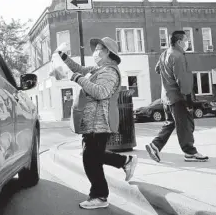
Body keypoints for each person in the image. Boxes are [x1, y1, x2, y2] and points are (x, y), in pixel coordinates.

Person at [52, 37, 138, 210]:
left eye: (99, 49)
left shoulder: (110, 72)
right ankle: (124, 162)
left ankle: (100, 195)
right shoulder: (99, 69)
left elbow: (101, 92)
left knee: (91, 158)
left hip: (100, 123)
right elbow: (79, 69)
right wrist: (64, 57)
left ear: (108, 52)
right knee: (93, 156)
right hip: (92, 123)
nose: (95, 52)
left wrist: (76, 78)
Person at [145, 30, 209, 162]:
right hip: (178, 97)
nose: (188, 42)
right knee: (185, 124)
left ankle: (155, 145)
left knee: (171, 123)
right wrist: (188, 99)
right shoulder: (178, 56)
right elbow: (183, 80)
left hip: (167, 97)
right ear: (179, 42)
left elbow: (158, 69)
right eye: (186, 40)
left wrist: (167, 76)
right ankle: (190, 152)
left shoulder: (164, 54)